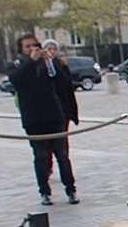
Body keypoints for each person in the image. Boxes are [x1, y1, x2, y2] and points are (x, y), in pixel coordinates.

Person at [8, 33, 78, 206]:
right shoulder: (17, 65)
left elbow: (63, 81)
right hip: (33, 117)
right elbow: (15, 80)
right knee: (40, 156)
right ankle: (45, 192)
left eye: (34, 45)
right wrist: (31, 61)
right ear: (21, 50)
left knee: (62, 155)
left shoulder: (46, 63)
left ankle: (71, 189)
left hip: (53, 115)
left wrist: (49, 61)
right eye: (27, 46)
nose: (32, 49)